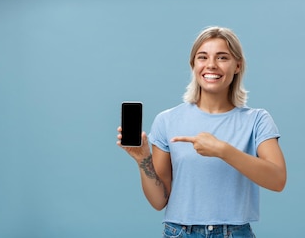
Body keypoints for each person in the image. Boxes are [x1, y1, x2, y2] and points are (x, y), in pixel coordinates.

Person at [117, 26, 286, 238]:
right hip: (179, 232)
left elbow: (277, 180)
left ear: (237, 65)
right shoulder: (167, 120)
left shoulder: (257, 120)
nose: (211, 65)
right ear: (193, 65)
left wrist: (222, 150)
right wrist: (143, 160)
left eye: (222, 57)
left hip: (234, 233)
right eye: (202, 57)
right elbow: (159, 201)